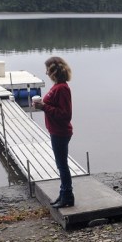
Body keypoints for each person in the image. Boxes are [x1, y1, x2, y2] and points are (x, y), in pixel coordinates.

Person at [34, 56, 74, 208]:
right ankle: (63, 194)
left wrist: (43, 107)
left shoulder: (62, 88)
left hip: (61, 132)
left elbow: (65, 115)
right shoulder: (58, 86)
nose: (45, 73)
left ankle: (68, 197)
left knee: (62, 165)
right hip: (55, 131)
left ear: (53, 72)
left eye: (47, 70)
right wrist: (43, 106)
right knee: (60, 165)